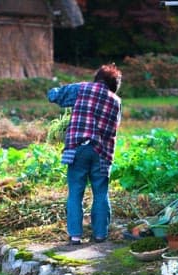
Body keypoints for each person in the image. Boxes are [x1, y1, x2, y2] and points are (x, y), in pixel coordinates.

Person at [47, 64, 122, 245]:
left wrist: (54, 89)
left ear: (97, 78)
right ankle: (100, 235)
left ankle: (75, 236)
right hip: (101, 153)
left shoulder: (82, 88)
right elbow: (114, 129)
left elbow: (54, 95)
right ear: (114, 84)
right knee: (101, 193)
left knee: (75, 192)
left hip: (78, 148)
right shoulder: (116, 101)